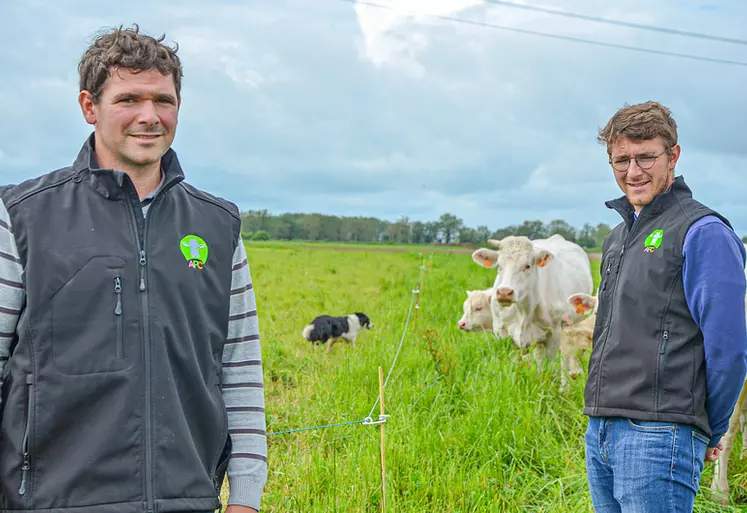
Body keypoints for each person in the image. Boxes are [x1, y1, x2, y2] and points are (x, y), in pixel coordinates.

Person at [0, 25, 267, 513]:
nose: (149, 117)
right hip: (50, 501)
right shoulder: (21, 216)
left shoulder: (218, 225)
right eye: (129, 99)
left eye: (163, 100)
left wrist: (246, 498)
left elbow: (240, 372)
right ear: (89, 107)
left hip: (186, 498)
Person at [583, 100, 747, 512]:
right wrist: (597, 424)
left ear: (673, 155)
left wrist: (710, 426)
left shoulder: (703, 232)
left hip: (660, 434)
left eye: (645, 157)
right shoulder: (617, 238)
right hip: (600, 427)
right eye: (621, 160)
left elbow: (729, 348)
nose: (633, 171)